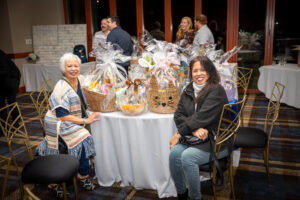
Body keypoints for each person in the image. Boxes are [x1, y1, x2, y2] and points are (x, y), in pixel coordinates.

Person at [37, 53, 101, 195]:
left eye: (76, 65)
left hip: (73, 118)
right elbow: (63, 116)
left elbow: (89, 94)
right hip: (58, 123)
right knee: (83, 138)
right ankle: (82, 175)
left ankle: (81, 169)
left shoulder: (81, 79)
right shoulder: (60, 88)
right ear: (63, 69)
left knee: (91, 132)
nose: (73, 69)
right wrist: (85, 121)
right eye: (69, 66)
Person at [169, 56, 230, 200]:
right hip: (195, 136)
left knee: (187, 157)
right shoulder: (189, 89)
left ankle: (195, 197)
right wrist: (194, 129)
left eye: (202, 70)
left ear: (210, 71)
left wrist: (178, 134)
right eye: (195, 71)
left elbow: (201, 117)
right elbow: (178, 115)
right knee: (174, 155)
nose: (199, 74)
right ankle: (182, 194)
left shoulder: (216, 91)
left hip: (216, 139)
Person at [0, 49, 21, 137]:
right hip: (3, 80)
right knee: (1, 104)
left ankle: (16, 122)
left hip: (12, 78)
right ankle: (4, 127)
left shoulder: (0, 54)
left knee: (11, 101)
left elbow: (4, 70)